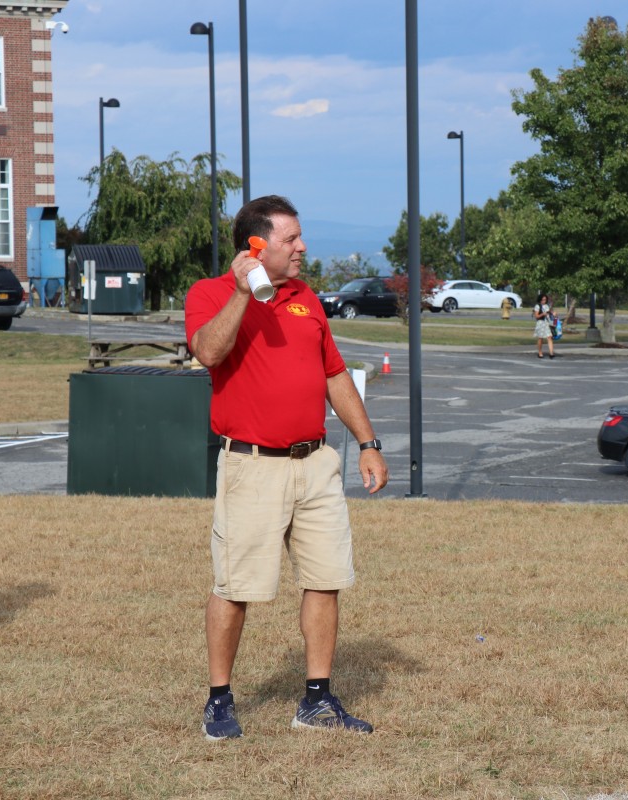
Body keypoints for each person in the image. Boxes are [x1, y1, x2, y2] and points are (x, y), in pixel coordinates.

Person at [185, 195, 389, 739]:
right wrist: (241, 291)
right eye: (290, 239)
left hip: (316, 462)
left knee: (326, 580)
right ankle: (219, 700)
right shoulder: (209, 294)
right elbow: (208, 351)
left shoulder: (307, 299)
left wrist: (367, 442)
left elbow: (335, 375)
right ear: (256, 244)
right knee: (236, 586)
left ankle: (316, 701)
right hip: (253, 465)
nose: (302, 247)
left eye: (300, 237)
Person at [533, 294, 556, 359]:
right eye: (543, 300)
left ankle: (551, 353)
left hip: (547, 323)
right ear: (540, 300)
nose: (544, 301)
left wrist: (553, 314)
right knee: (540, 338)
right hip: (540, 323)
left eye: (545, 300)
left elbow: (550, 313)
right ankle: (540, 352)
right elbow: (536, 316)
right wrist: (543, 314)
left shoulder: (547, 306)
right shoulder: (537, 306)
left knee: (549, 337)